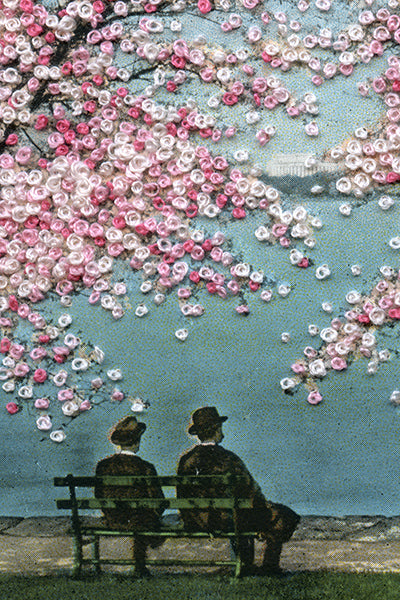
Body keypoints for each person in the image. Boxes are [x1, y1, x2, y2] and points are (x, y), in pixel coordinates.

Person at [177, 406, 300, 576]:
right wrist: (263, 506)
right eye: (220, 427)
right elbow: (251, 490)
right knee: (285, 515)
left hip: (198, 519)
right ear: (216, 430)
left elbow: (182, 494)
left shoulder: (186, 460)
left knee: (242, 513)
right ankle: (269, 567)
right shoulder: (229, 458)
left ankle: (246, 565)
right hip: (227, 519)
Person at [95, 415, 165, 577]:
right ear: (138, 441)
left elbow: (99, 495)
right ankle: (140, 567)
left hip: (114, 519)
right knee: (143, 518)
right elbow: (158, 500)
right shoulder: (146, 468)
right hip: (140, 521)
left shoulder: (103, 466)